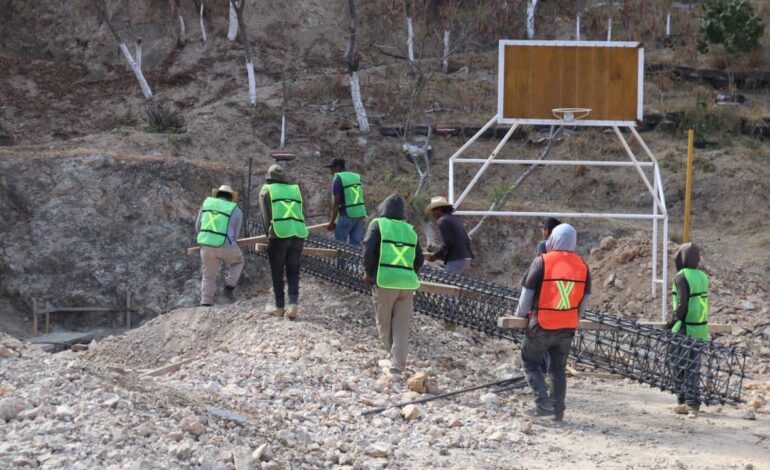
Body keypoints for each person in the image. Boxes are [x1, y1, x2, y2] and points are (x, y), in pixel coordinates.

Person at [515, 223, 591, 422]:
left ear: (553, 239)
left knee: (530, 363)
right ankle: (557, 411)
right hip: (567, 327)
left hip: (542, 324)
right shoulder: (582, 265)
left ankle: (543, 405)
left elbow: (527, 293)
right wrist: (575, 318)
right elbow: (584, 299)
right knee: (558, 369)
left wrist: (521, 314)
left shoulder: (543, 261)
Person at [363, 194, 424, 376]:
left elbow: (368, 250)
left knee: (384, 323)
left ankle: (392, 358)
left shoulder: (378, 224)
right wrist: (406, 272)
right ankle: (398, 365)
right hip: (407, 285)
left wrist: (369, 273)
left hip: (385, 281)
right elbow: (419, 258)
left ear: (383, 209)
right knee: (401, 327)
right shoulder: (410, 230)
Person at [259, 164, 308, 320]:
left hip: (279, 234)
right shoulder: (295, 190)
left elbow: (265, 218)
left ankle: (280, 307)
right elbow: (301, 212)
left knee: (277, 271)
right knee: (294, 269)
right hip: (298, 233)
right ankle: (293, 304)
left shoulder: (266, 190)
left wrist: (269, 236)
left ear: (268, 178)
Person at [667, 242, 709, 417]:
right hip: (700, 328)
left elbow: (682, 304)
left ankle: (685, 401)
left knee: (677, 364)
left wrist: (672, 322)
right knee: (693, 367)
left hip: (684, 328)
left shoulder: (681, 276)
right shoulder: (702, 276)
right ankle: (692, 404)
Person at [195, 185, 244, 306]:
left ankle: (206, 302)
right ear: (231, 197)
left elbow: (197, 227)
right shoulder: (236, 209)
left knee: (208, 275)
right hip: (226, 245)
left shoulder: (206, 204)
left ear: (217, 195)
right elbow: (236, 236)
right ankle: (229, 287)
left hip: (206, 245)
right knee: (238, 262)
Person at [424, 196, 474, 274]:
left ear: (438, 209)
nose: (433, 214)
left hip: (456, 259)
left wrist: (436, 256)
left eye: (433, 211)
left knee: (445, 284)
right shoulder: (455, 219)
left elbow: (448, 243)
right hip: (466, 258)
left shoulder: (442, 221)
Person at [325, 157, 366, 246]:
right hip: (360, 215)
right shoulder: (355, 176)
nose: (330, 171)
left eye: (332, 168)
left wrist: (332, 222)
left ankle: (341, 261)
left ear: (338, 167)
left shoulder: (339, 179)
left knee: (340, 245)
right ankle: (353, 261)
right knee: (355, 247)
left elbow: (336, 203)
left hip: (347, 215)